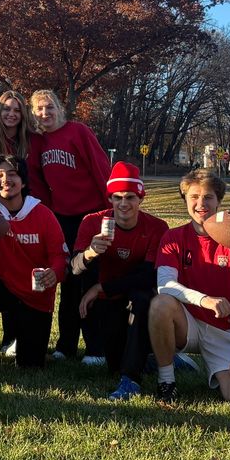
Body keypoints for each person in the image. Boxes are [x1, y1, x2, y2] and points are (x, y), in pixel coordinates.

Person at [148, 169, 230, 406]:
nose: (201, 203)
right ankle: (167, 380)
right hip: (187, 323)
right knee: (160, 304)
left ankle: (216, 365)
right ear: (185, 200)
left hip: (225, 331)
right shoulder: (173, 237)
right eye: (194, 197)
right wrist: (206, 300)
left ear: (219, 201)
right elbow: (165, 285)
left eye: (208, 197)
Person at [0, 154, 67, 373]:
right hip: (4, 288)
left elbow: (60, 257)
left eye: (12, 174)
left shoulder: (43, 214)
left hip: (36, 295)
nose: (5, 179)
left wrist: (54, 273)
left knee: (30, 366)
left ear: (24, 181)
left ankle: (22, 340)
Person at [73, 162, 169, 399]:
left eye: (130, 197)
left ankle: (132, 380)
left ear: (140, 199)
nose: (124, 203)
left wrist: (101, 287)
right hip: (107, 299)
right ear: (110, 199)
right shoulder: (92, 222)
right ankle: (155, 357)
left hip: (134, 293)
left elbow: (148, 276)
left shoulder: (157, 227)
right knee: (114, 362)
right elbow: (74, 269)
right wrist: (90, 252)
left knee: (142, 297)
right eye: (117, 197)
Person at [28, 89, 110, 364]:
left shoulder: (79, 131)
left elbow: (101, 169)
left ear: (60, 108)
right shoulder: (40, 142)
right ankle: (66, 345)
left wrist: (108, 210)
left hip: (91, 215)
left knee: (90, 278)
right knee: (67, 280)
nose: (45, 113)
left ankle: (96, 347)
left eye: (49, 107)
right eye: (39, 109)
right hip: (62, 218)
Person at [0, 90, 41, 354]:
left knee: (28, 272)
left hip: (31, 213)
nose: (11, 114)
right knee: (3, 272)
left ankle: (28, 333)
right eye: (6, 109)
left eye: (17, 110)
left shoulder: (34, 141)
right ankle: (9, 336)